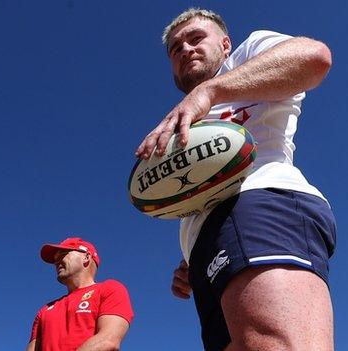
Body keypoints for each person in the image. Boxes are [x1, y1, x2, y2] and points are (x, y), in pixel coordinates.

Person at [135, 8, 335, 351]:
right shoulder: (186, 120)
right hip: (210, 246)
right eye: (175, 48)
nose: (185, 49)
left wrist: (210, 91)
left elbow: (315, 58)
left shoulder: (249, 53)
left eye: (196, 38)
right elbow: (204, 186)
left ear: (225, 44)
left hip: (262, 202)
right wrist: (190, 252)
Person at [26, 237, 134, 351]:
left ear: (86, 257)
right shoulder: (45, 311)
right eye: (55, 259)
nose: (56, 262)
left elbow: (108, 340)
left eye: (63, 254)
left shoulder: (109, 289)